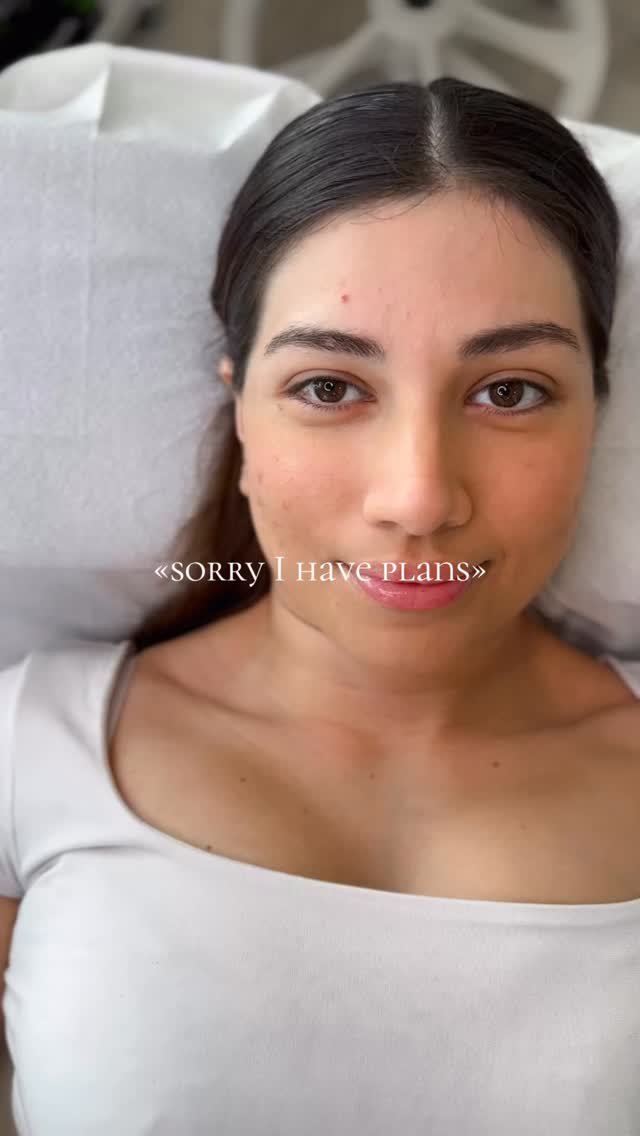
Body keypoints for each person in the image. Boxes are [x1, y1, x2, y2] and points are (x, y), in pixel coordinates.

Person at [1, 77, 639, 1136]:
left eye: (510, 391)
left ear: (595, 418)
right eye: (330, 388)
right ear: (240, 411)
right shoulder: (29, 752)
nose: (420, 497)